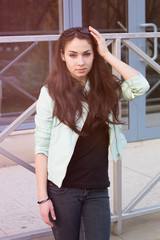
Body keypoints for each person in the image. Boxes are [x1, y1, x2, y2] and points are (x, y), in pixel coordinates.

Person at [35, 26, 150, 240]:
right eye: (73, 55)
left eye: (87, 54)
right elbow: (41, 148)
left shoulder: (105, 88)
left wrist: (106, 54)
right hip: (63, 190)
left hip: (97, 188)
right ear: (62, 56)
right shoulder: (50, 93)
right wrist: (43, 199)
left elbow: (140, 86)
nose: (81, 62)